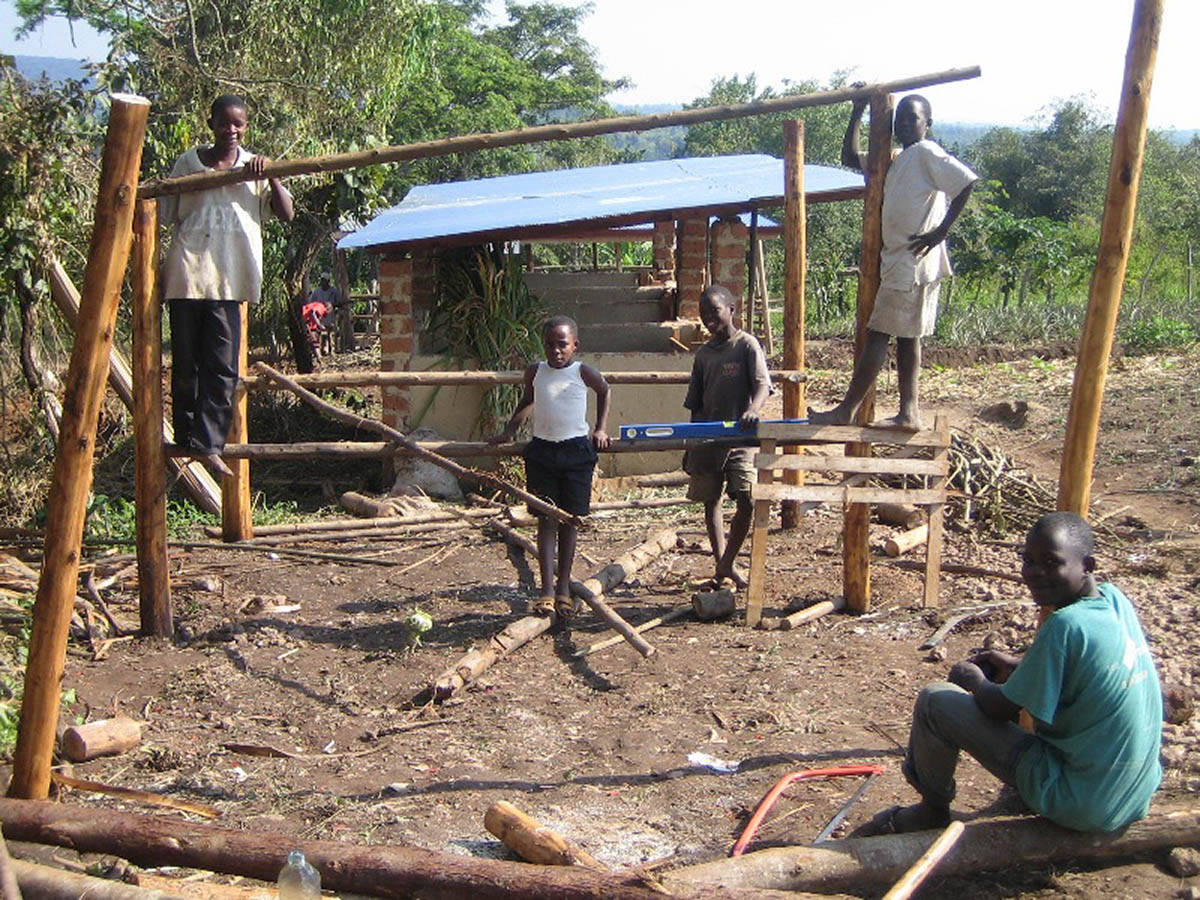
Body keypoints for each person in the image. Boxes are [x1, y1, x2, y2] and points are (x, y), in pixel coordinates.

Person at [860, 511, 1162, 835]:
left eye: (1051, 563)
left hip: (1082, 803)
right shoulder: (1116, 602)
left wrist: (973, 680)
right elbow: (1085, 671)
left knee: (936, 701)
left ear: (1088, 566)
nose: (1034, 573)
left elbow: (999, 707)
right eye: (1028, 560)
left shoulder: (1064, 624)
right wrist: (1020, 667)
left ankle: (931, 810)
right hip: (1134, 794)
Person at [810, 93, 977, 431]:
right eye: (898, 118)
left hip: (911, 261)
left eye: (911, 118)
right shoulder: (899, 157)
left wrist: (940, 231)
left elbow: (966, 182)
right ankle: (909, 413)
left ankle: (846, 411)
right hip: (904, 260)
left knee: (878, 335)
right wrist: (857, 113)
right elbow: (849, 157)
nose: (903, 123)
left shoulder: (927, 153)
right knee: (907, 337)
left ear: (927, 123)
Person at [161, 94, 294, 477]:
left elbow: (285, 214)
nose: (230, 130)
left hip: (229, 280)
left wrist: (272, 174)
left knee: (221, 368)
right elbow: (166, 209)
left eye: (238, 124)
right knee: (186, 365)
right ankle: (186, 437)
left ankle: (209, 444)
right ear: (211, 123)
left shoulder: (254, 168)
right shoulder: (187, 163)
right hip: (188, 274)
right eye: (224, 122)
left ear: (246, 127)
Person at [490, 316, 611, 623]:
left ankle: (563, 590)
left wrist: (600, 429)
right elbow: (528, 401)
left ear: (575, 345)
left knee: (570, 521)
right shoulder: (536, 371)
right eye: (550, 344)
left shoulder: (582, 372)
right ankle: (545, 590)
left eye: (562, 345)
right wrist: (509, 431)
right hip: (542, 452)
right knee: (545, 520)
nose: (556, 351)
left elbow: (605, 390)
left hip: (576, 452)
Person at [684, 285, 771, 589]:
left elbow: (762, 385)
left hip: (740, 438)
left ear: (731, 309)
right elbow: (695, 403)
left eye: (715, 311)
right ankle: (722, 565)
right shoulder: (704, 355)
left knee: (746, 499)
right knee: (711, 500)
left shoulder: (746, 345)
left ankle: (727, 563)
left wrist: (753, 409)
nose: (709, 317)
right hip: (707, 438)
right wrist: (691, 444)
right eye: (704, 312)